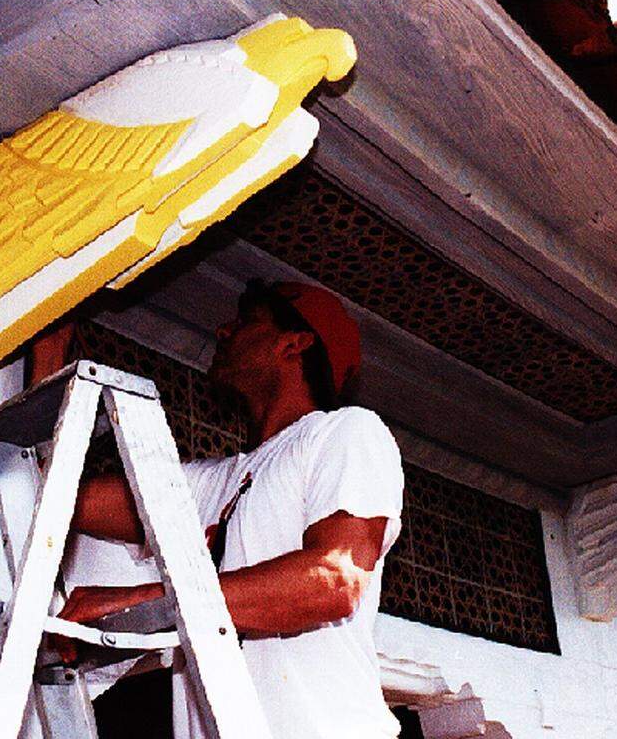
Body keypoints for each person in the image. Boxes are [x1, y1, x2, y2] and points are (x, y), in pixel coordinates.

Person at [35, 279, 405, 739]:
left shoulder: (347, 433)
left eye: (248, 321)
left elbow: (334, 579)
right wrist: (49, 343)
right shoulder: (212, 483)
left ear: (295, 343)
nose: (224, 331)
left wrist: (135, 600)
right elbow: (61, 492)